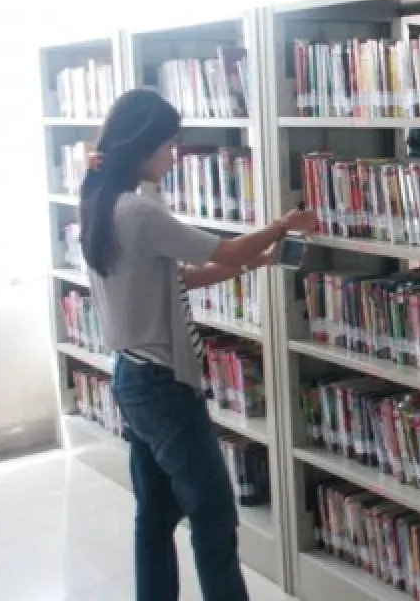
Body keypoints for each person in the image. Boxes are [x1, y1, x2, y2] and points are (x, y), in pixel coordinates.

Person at [79, 89, 316, 601]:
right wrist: (282, 225)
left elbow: (177, 278)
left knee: (155, 513)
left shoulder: (101, 202)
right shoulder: (139, 212)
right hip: (163, 384)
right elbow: (225, 249)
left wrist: (257, 261)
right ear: (144, 146)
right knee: (214, 516)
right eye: (170, 145)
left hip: (132, 376)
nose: (175, 156)